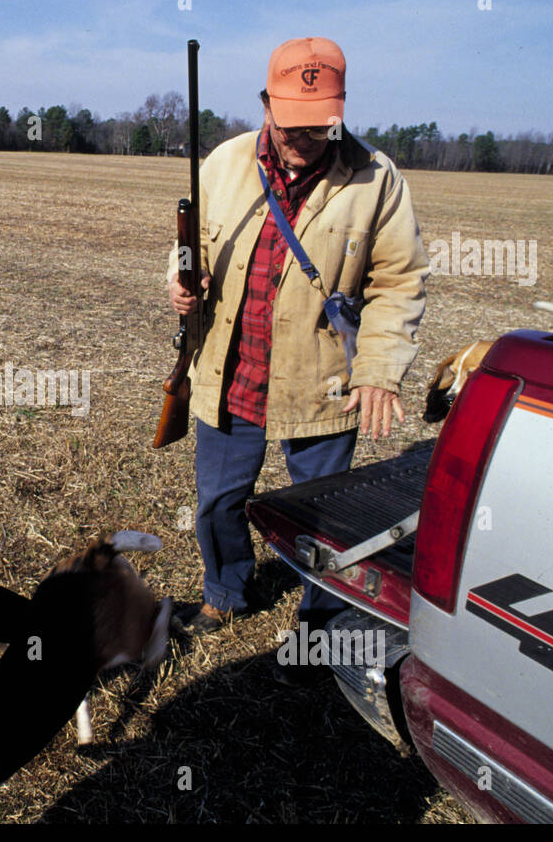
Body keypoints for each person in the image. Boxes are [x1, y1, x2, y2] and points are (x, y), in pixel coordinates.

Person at [165, 37, 428, 678]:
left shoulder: (375, 179)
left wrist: (378, 371)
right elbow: (189, 245)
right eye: (291, 123)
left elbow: (399, 281)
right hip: (230, 370)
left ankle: (319, 627)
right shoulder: (224, 164)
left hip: (321, 382)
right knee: (217, 502)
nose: (304, 137)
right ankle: (225, 592)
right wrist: (178, 280)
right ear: (265, 104)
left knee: (322, 518)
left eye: (320, 124)